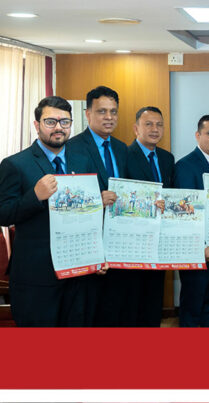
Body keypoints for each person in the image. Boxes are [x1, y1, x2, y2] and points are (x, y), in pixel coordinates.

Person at [0, 96, 107, 326]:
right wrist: (34, 196)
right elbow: (4, 213)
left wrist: (98, 254)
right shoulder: (15, 164)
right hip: (36, 278)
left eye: (65, 122)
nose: (59, 127)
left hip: (78, 273)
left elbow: (89, 216)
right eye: (50, 121)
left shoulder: (82, 162)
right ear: (37, 125)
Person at [66, 85, 128, 326]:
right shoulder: (71, 148)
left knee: (115, 315)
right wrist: (95, 201)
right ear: (88, 113)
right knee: (86, 317)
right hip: (86, 245)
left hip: (118, 245)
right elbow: (67, 199)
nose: (109, 117)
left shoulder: (121, 148)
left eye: (113, 111)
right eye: (102, 111)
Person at [121, 106, 176, 327]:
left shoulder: (167, 158)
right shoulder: (124, 156)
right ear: (136, 128)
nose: (155, 129)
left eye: (159, 124)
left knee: (154, 300)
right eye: (149, 124)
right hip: (133, 240)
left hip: (159, 239)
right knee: (132, 301)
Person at [173, 115, 209, 327]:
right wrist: (200, 245)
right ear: (198, 135)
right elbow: (184, 211)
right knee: (193, 307)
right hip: (196, 249)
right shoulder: (185, 165)